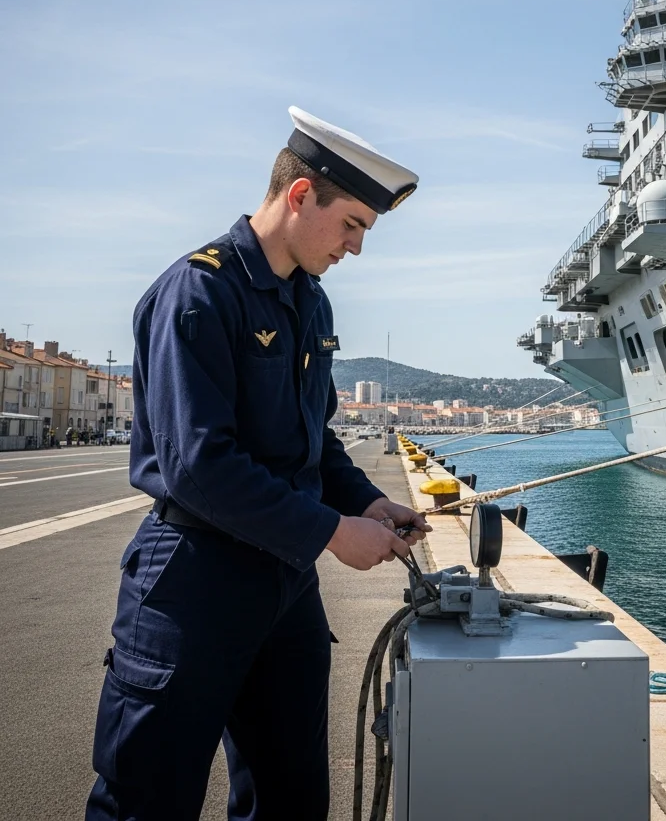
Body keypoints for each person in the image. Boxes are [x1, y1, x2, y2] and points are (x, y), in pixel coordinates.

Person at [86, 107, 428, 821]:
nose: (357, 247)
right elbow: (198, 465)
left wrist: (365, 502)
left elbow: (313, 441)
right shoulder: (200, 292)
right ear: (300, 195)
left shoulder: (311, 303)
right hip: (194, 580)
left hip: (284, 587)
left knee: (292, 800)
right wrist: (332, 532)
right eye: (353, 224)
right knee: (146, 801)